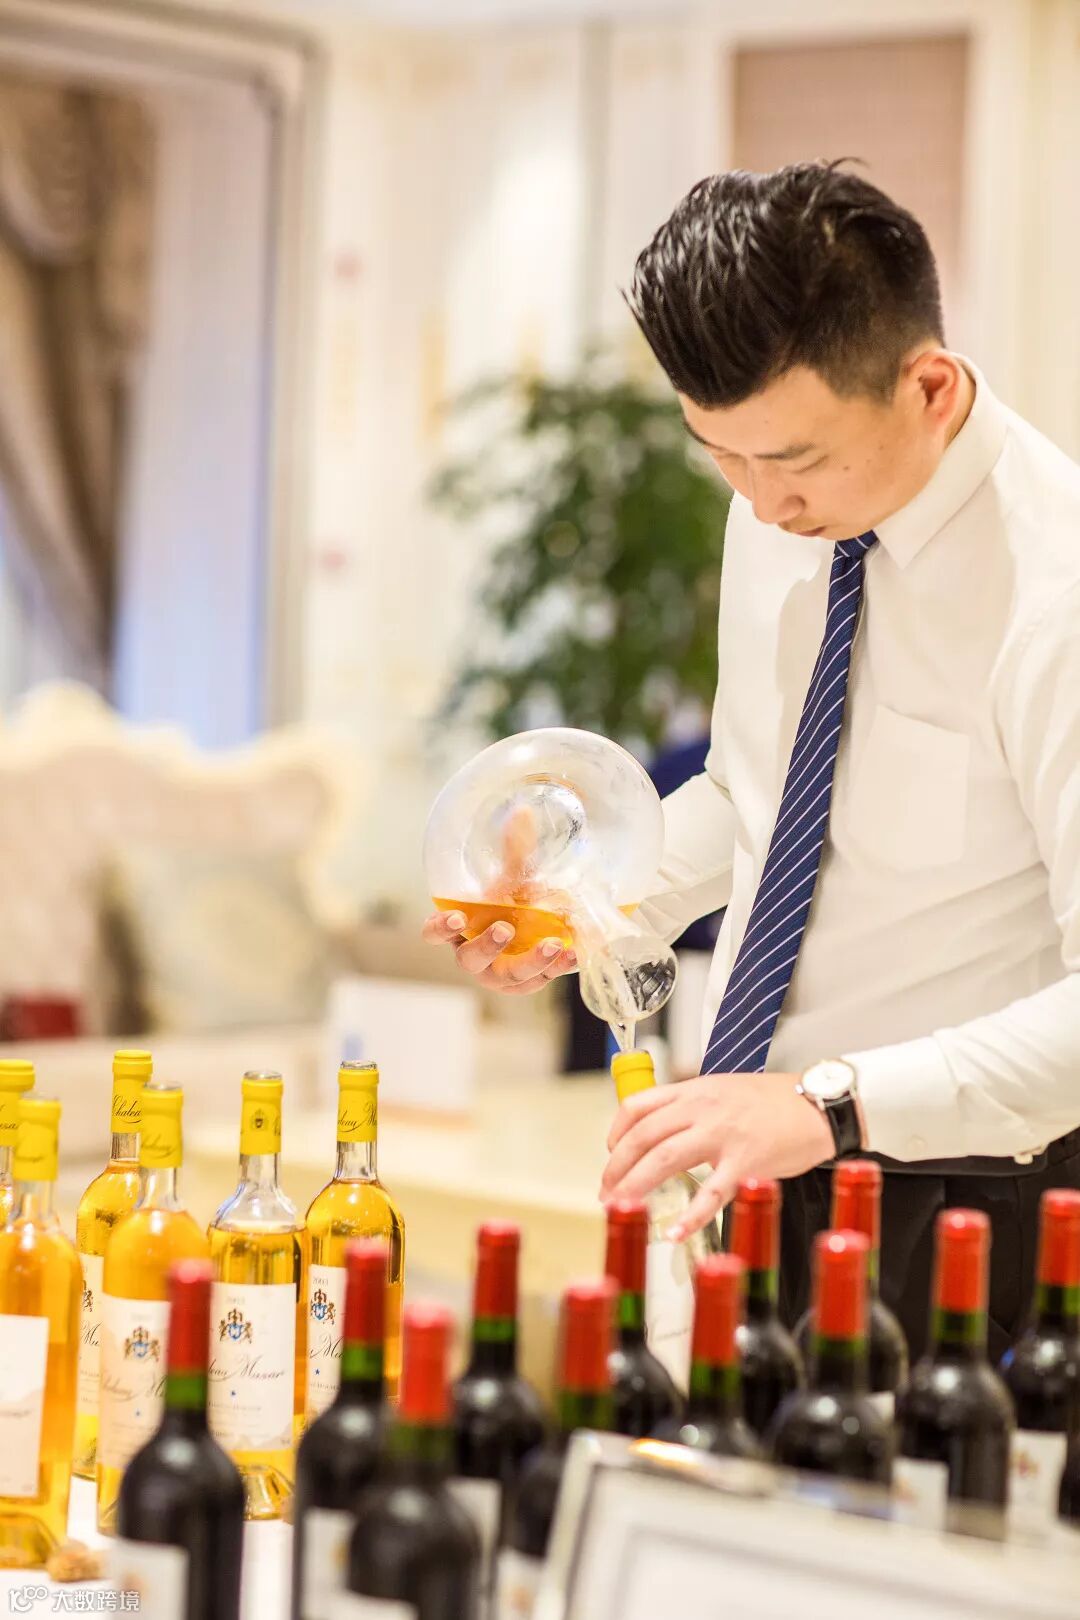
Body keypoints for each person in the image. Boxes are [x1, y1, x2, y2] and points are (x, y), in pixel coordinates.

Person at [423, 162, 1080, 1360]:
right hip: (758, 1151)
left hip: (968, 1190)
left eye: (796, 461)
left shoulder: (1058, 594)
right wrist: (590, 908)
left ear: (930, 387)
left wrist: (834, 1105)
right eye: (720, 455)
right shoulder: (777, 502)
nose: (764, 505)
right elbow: (754, 794)